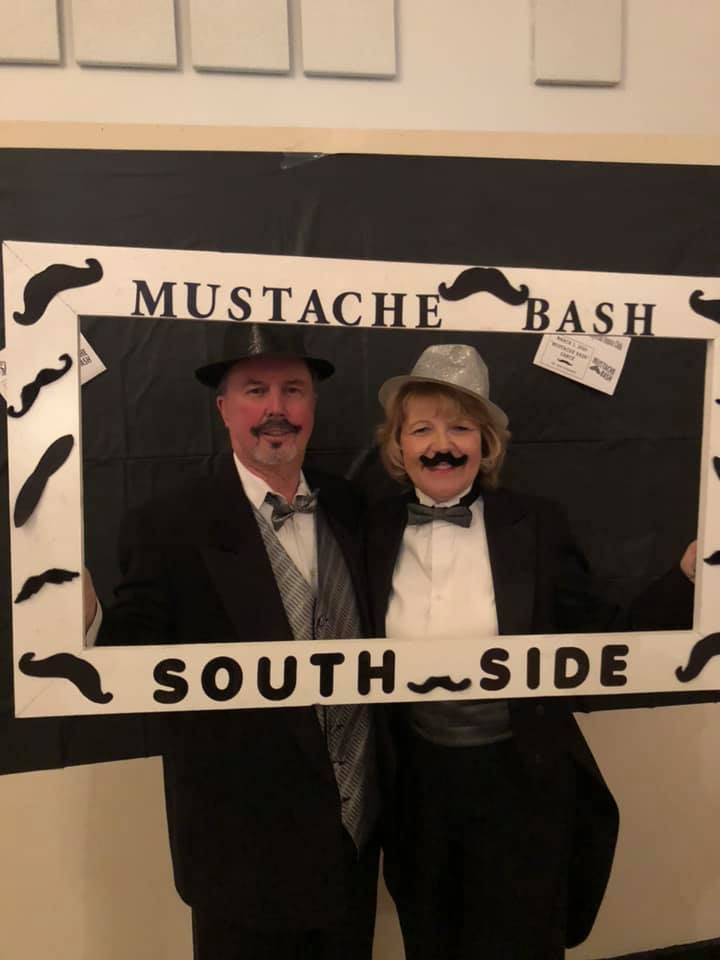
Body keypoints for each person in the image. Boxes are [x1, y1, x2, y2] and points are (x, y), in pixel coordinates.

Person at [367, 343, 694, 960]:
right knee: (431, 941)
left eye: (461, 428)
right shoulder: (371, 530)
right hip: (417, 787)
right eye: (423, 429)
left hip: (521, 782)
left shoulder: (537, 525)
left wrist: (687, 576)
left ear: (486, 443)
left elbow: (603, 636)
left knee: (524, 943)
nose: (442, 445)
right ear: (398, 446)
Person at [85, 323, 381, 960]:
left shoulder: (354, 507)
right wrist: (76, 611)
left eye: (292, 389)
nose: (277, 408)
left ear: (313, 404)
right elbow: (128, 661)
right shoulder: (167, 524)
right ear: (223, 408)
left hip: (353, 842)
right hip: (240, 858)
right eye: (255, 390)